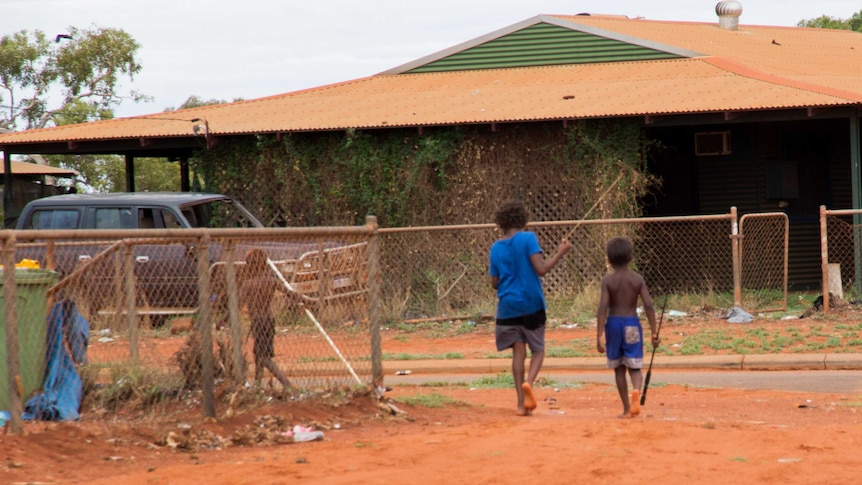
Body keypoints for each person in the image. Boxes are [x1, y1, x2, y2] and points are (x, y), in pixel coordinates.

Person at [489, 201, 572, 416]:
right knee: (538, 349)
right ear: (523, 220)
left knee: (518, 352)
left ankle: (520, 404)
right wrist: (561, 251)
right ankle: (529, 382)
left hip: (507, 306)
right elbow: (541, 270)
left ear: (501, 223)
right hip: (531, 303)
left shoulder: (496, 248)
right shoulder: (528, 239)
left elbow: (494, 282)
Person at [596, 236, 659, 418]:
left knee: (619, 369)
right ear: (631, 257)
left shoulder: (608, 281)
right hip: (632, 324)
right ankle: (637, 391)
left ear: (609, 259)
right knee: (635, 367)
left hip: (614, 325)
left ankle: (626, 409)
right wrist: (654, 331)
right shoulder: (637, 279)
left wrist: (599, 334)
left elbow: (603, 307)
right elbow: (648, 305)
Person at [239, 248, 293, 389]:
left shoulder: (247, 285)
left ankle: (287, 385)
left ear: (249, 266)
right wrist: (307, 300)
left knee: (264, 357)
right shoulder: (271, 281)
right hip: (269, 320)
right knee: (258, 353)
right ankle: (257, 384)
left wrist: (221, 320)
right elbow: (290, 294)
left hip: (258, 321)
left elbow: (236, 306)